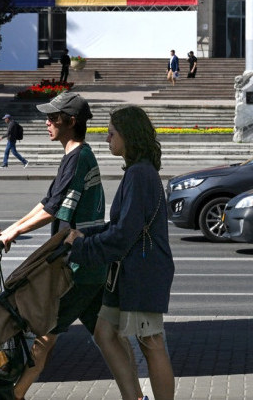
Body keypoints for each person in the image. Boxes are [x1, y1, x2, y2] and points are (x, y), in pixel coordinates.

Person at [0, 92, 106, 400]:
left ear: (70, 123)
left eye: (53, 118)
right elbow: (46, 202)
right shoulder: (75, 155)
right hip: (88, 265)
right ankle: (135, 394)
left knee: (45, 334)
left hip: (77, 267)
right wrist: (13, 228)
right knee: (108, 338)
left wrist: (14, 232)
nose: (47, 122)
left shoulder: (78, 158)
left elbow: (53, 210)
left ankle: (14, 394)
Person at [66, 105, 175, 400]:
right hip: (127, 272)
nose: (106, 140)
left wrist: (81, 246)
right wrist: (86, 236)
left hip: (142, 271)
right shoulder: (137, 172)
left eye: (111, 133)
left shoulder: (140, 175)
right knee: (104, 332)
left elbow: (124, 233)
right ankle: (135, 398)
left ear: (128, 135)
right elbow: (120, 226)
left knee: (151, 342)